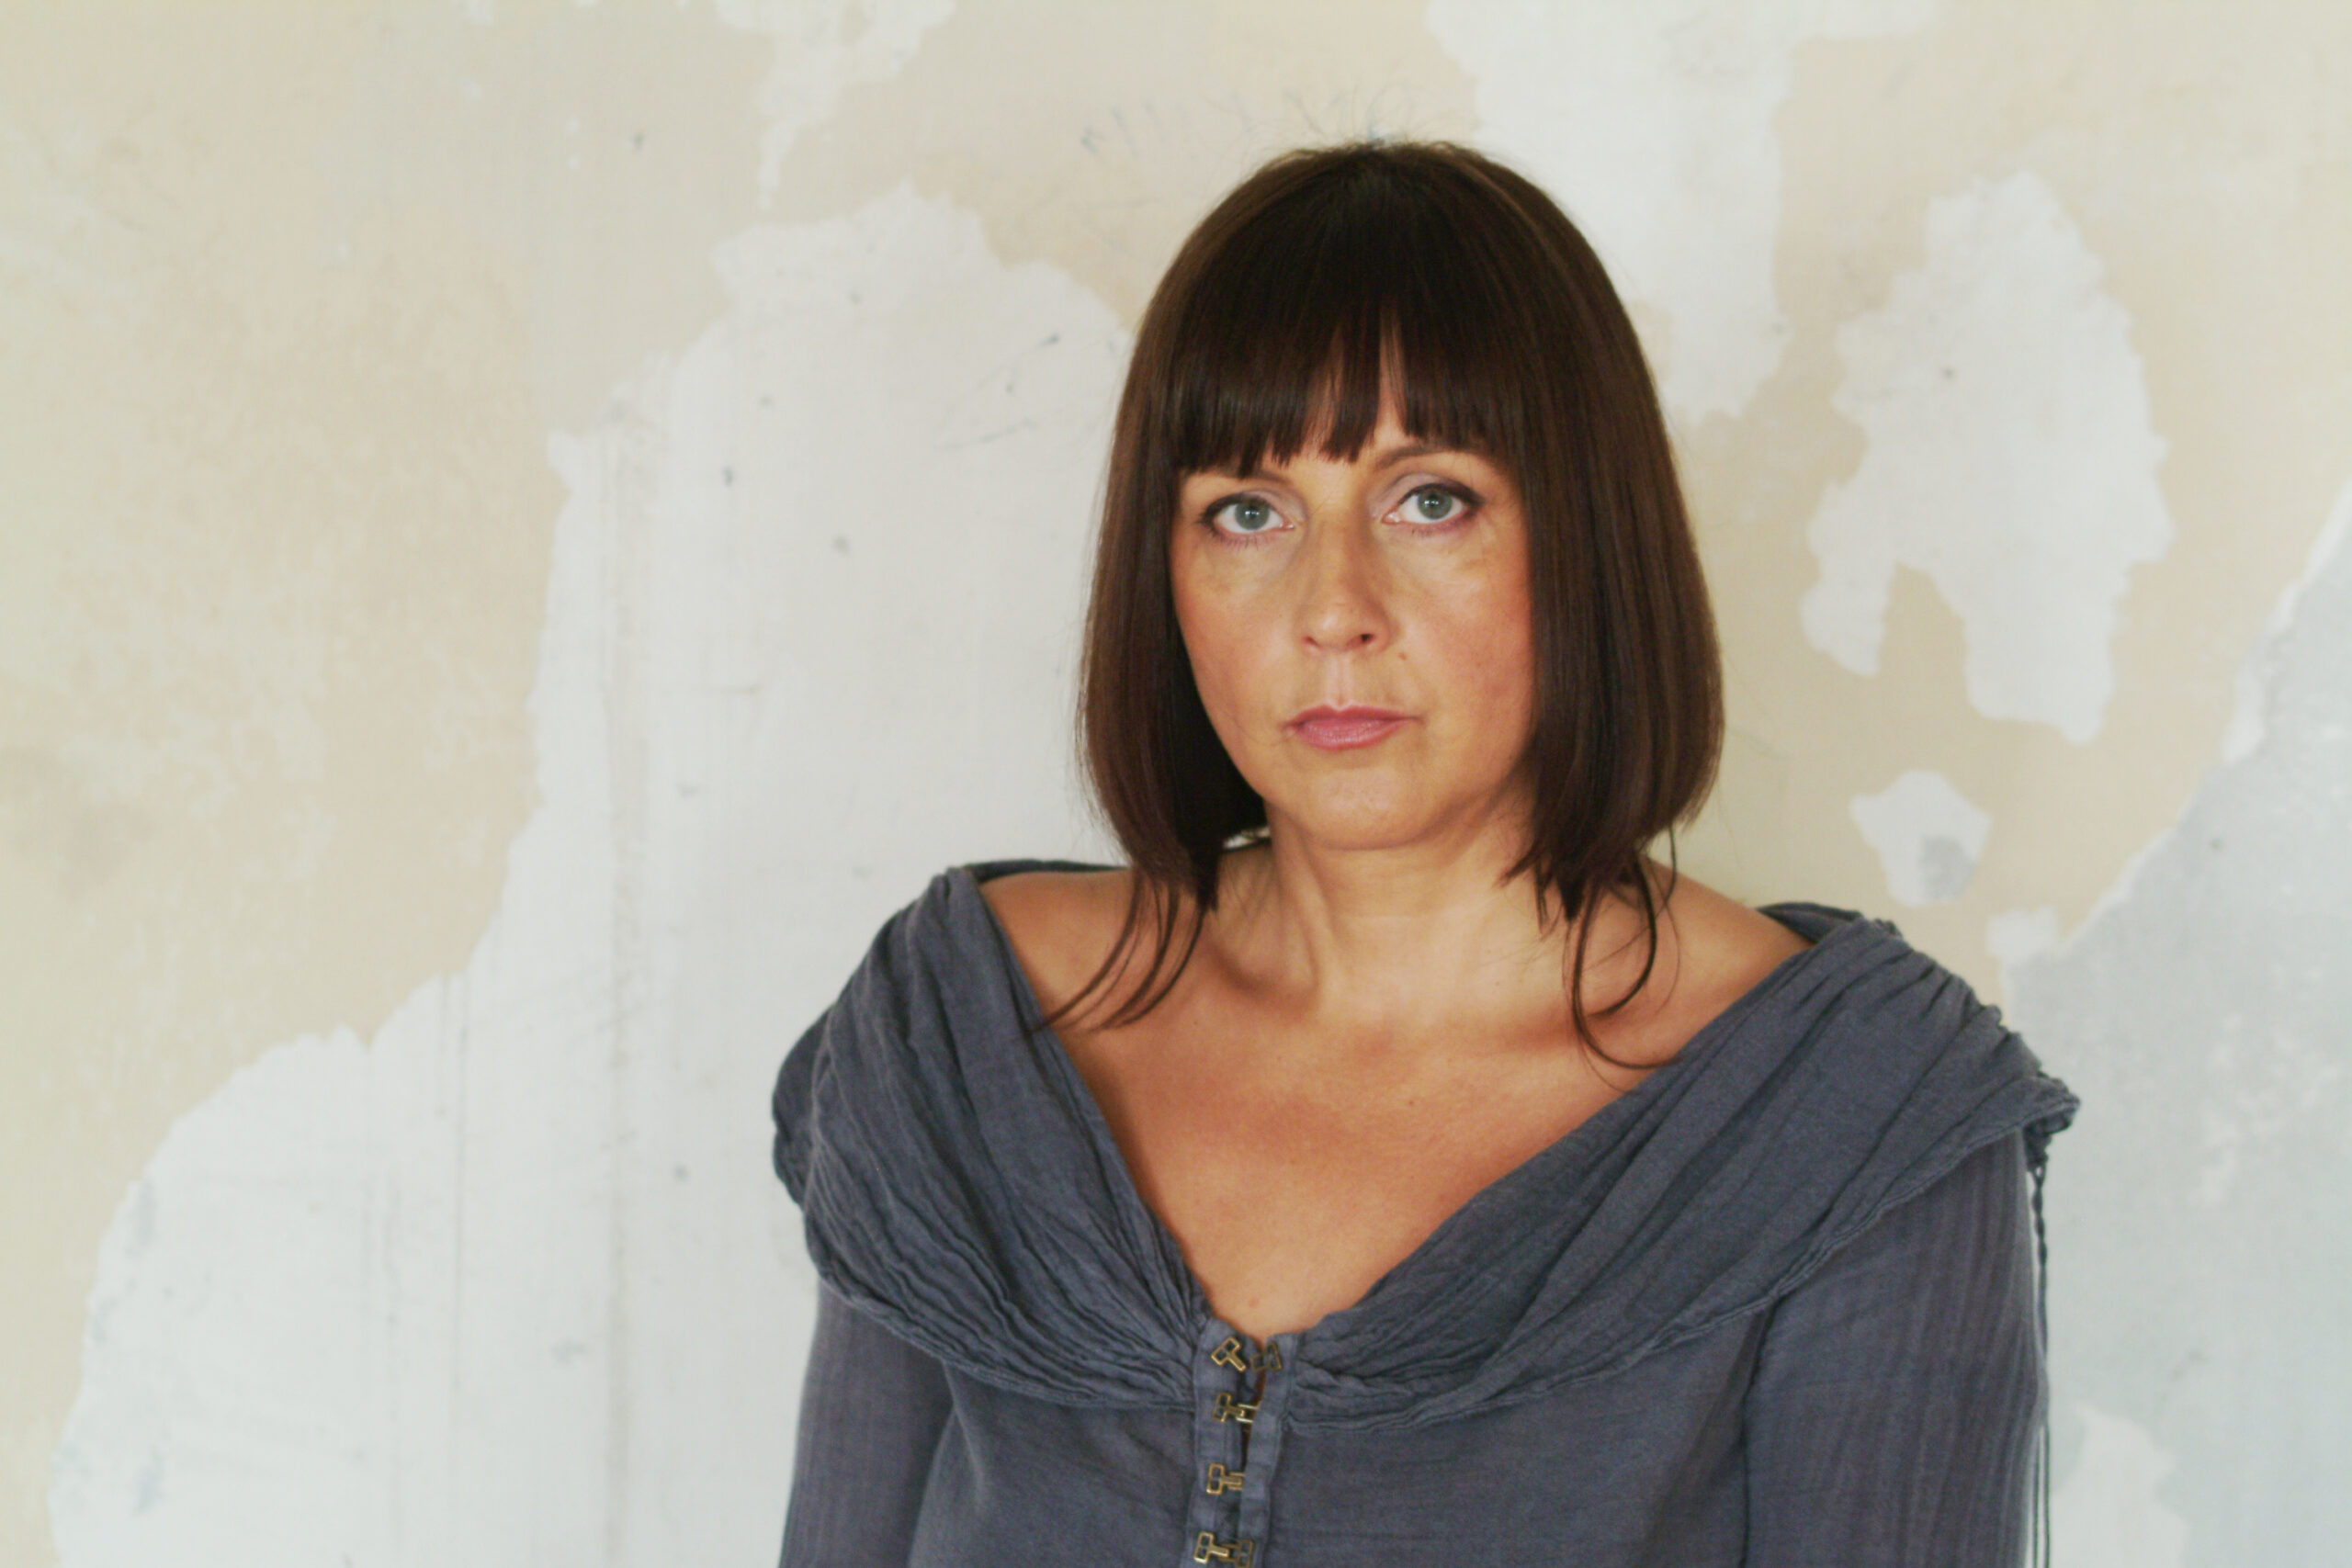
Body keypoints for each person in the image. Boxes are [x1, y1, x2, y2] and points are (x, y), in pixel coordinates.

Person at [770, 141, 2075, 1567]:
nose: (1333, 608)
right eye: (1247, 511)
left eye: (1430, 499)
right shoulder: (965, 1028)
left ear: (1585, 539)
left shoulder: (1856, 1118)